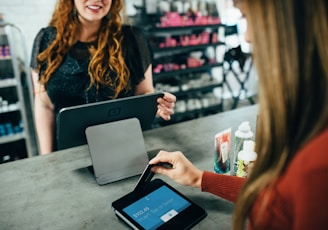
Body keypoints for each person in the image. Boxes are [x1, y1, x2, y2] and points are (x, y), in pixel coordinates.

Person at [149, 0, 328, 229]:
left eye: (246, 16)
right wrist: (199, 178)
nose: (247, 37)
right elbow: (277, 198)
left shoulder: (317, 166)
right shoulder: (307, 124)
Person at [30, 0, 176, 155]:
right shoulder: (46, 40)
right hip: (68, 154)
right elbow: (44, 105)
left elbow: (144, 93)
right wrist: (47, 159)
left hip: (123, 149)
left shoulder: (132, 38)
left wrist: (155, 104)